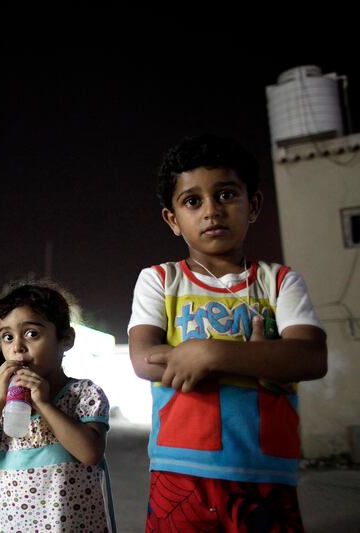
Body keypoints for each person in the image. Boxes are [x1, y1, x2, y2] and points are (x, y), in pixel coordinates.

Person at [127, 134, 327, 531]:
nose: (211, 211)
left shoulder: (280, 282)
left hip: (266, 470)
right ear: (173, 219)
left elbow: (309, 357)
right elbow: (144, 359)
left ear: (252, 205)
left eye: (226, 195)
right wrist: (264, 359)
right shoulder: (160, 281)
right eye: (192, 201)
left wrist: (209, 354)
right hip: (181, 470)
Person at [0, 281, 113, 532]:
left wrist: (43, 403)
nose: (17, 346)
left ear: (65, 339)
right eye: (7, 337)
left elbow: (90, 453)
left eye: (32, 333)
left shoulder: (83, 394)